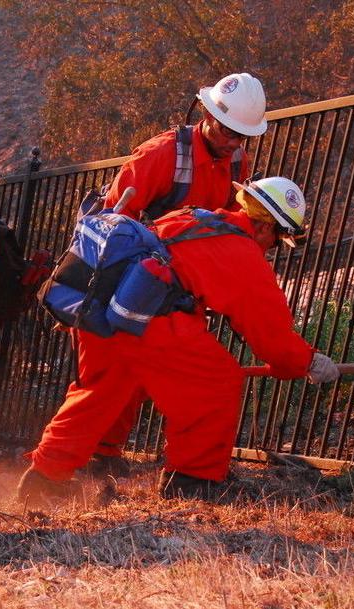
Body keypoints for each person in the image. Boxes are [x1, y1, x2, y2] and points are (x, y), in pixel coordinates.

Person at [18, 177, 340, 503]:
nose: (272, 247)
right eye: (278, 238)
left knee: (97, 392)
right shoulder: (242, 253)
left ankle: (44, 477)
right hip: (151, 322)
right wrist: (306, 362)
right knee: (216, 382)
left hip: (103, 311)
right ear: (264, 228)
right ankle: (191, 479)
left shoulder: (191, 217)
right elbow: (270, 334)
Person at [92, 72, 269, 475]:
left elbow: (229, 223)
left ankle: (109, 453)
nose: (231, 141)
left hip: (178, 285)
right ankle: (97, 454)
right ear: (206, 113)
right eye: (226, 130)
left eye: (241, 135)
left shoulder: (236, 160)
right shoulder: (161, 154)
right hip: (128, 275)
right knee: (113, 372)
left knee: (152, 376)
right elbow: (113, 220)